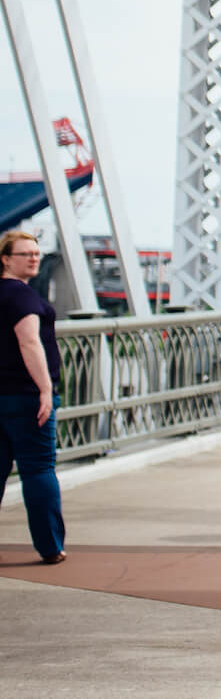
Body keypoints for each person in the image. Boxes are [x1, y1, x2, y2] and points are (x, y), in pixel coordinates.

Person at [0, 230, 65, 564]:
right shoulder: (21, 296)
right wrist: (45, 389)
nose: (34, 259)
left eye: (36, 253)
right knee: (38, 471)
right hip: (26, 398)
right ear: (5, 259)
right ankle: (50, 546)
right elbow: (29, 342)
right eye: (25, 254)